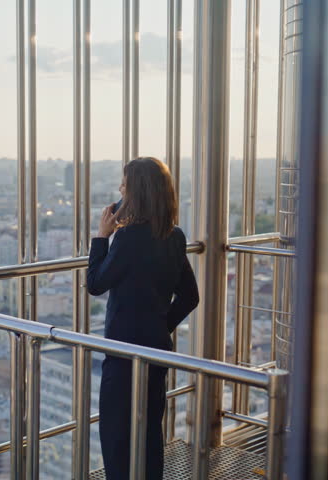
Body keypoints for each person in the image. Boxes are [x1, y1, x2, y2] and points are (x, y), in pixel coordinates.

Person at [87, 157, 199, 479]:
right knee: (150, 431)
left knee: (116, 434)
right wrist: (159, 325)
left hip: (124, 353)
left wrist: (101, 236)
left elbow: (95, 283)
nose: (120, 189)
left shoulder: (128, 238)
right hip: (156, 348)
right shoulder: (175, 236)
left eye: (124, 183)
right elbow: (190, 296)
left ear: (136, 191)